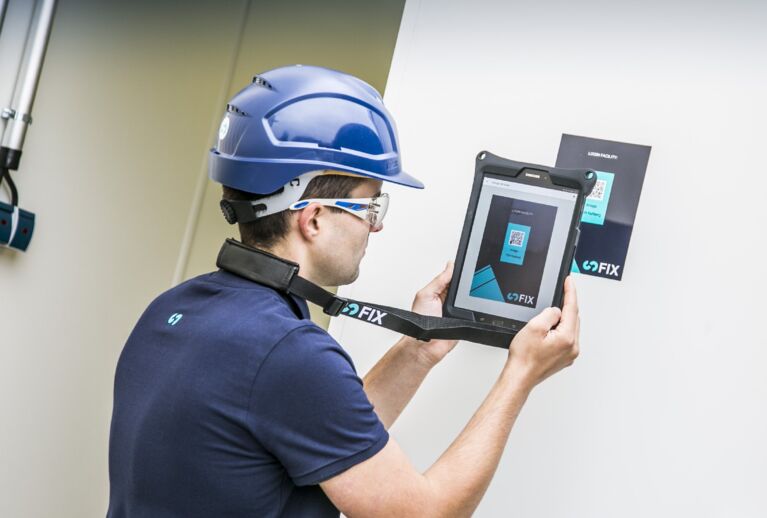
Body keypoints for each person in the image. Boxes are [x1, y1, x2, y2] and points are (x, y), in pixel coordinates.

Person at [107, 65, 579, 517]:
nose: (376, 226)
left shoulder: (174, 309)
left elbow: (320, 429)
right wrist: (521, 374)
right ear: (313, 219)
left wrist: (418, 350)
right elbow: (425, 512)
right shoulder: (287, 351)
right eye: (369, 207)